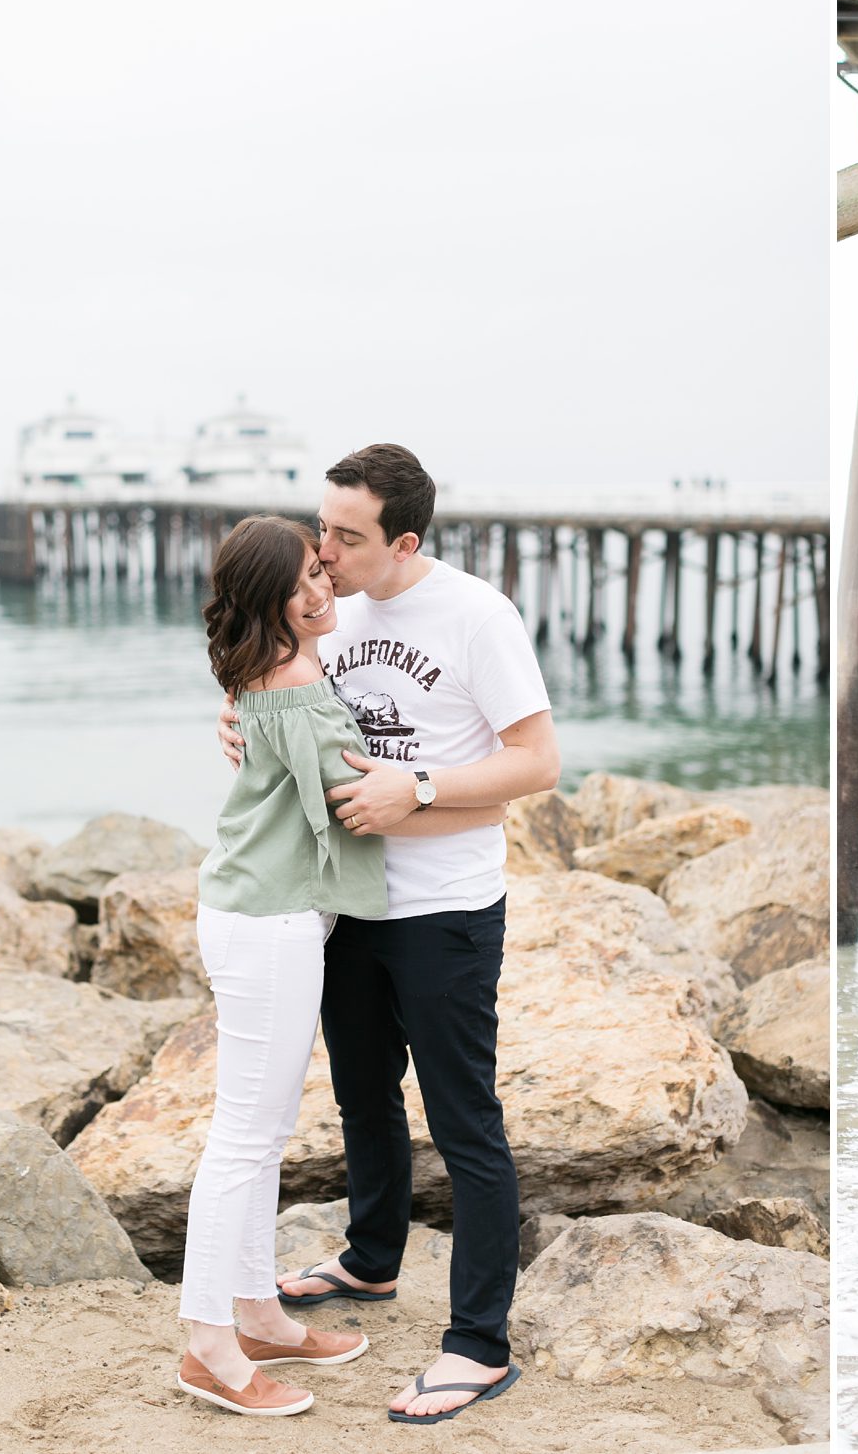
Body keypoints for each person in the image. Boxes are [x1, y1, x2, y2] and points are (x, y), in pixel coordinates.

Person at [218, 444, 561, 1425]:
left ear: (403, 540)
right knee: (361, 1094)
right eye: (319, 525)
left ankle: (478, 1344)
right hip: (345, 897)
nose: (319, 551)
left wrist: (413, 785)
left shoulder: (475, 616)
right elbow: (274, 683)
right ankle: (370, 1261)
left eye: (345, 535)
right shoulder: (332, 607)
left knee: (463, 1121)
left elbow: (535, 760)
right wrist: (236, 722)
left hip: (446, 909)